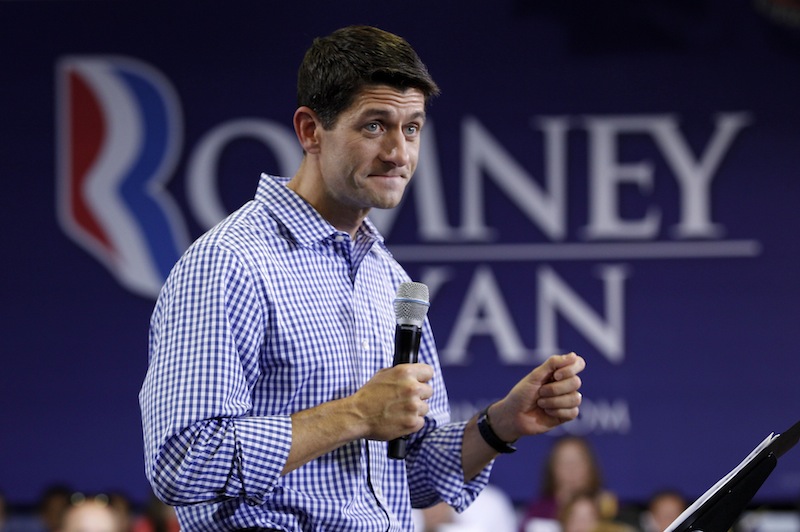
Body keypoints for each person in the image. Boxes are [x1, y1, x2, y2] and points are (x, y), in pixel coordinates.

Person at [139, 24, 586, 531]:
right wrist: (355, 414)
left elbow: (411, 475)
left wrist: (501, 422)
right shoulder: (229, 262)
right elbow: (183, 461)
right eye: (375, 125)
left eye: (412, 128)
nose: (399, 152)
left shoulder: (387, 276)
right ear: (311, 130)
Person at [520, 436, 617, 532]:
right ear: (552, 469)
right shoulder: (538, 513)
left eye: (578, 460)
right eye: (564, 462)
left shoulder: (609, 509)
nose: (572, 468)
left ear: (590, 466)